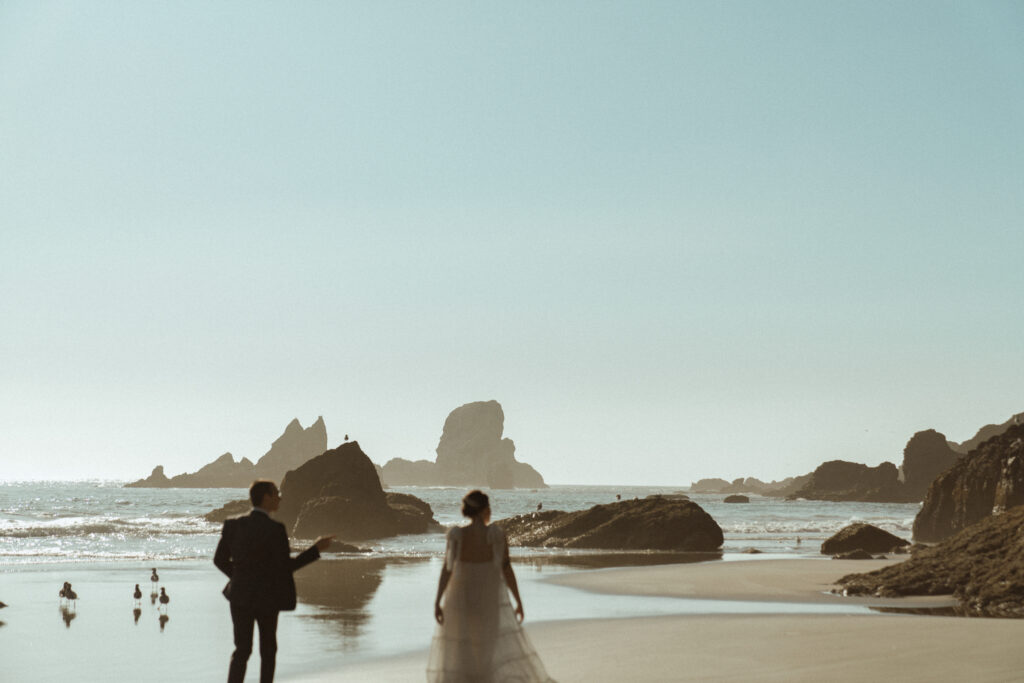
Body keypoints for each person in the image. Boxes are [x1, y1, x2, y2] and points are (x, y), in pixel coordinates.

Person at [427, 490, 555, 682]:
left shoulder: (456, 535)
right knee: (486, 648)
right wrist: (518, 601)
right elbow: (506, 569)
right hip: (488, 599)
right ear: (485, 509)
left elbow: (447, 570)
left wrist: (438, 601)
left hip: (460, 600)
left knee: (461, 650)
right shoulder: (495, 535)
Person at [214, 479, 333, 683]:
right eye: (276, 493)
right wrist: (315, 550)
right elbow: (286, 567)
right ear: (266, 497)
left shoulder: (233, 525)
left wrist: (240, 578)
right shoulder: (275, 529)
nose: (280, 497)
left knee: (242, 650)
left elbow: (219, 560)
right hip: (267, 597)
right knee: (268, 650)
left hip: (240, 595)